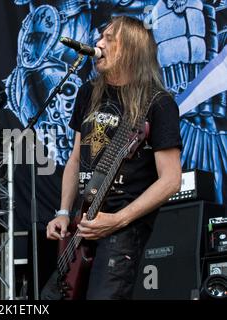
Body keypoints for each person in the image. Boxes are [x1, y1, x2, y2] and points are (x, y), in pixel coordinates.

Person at [46, 15, 182, 300]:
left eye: (109, 39)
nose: (98, 43)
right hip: (82, 224)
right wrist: (62, 212)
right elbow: (74, 159)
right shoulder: (88, 93)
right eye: (100, 37)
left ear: (131, 49)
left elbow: (171, 180)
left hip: (122, 231)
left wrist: (118, 220)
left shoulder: (158, 103)